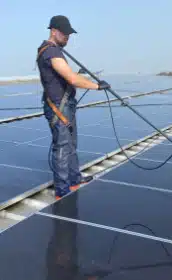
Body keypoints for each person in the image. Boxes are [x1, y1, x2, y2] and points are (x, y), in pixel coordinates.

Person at [36, 15, 110, 200]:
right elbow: (71, 79)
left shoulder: (56, 51)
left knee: (71, 145)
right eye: (65, 33)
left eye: (69, 34)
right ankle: (62, 188)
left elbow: (64, 77)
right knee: (62, 147)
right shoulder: (50, 52)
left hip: (66, 105)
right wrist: (97, 86)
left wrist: (79, 76)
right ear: (54, 31)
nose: (68, 37)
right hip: (58, 108)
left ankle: (75, 178)